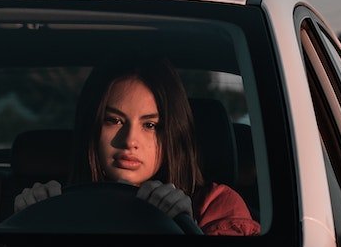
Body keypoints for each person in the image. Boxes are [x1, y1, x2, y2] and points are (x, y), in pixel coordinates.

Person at [13, 58, 260, 236]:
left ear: (173, 133)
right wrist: (28, 224)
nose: (129, 140)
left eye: (150, 125)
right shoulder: (55, 204)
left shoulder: (215, 206)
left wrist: (188, 228)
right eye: (114, 120)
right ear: (92, 127)